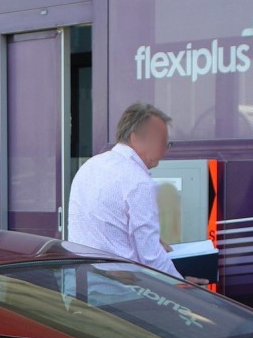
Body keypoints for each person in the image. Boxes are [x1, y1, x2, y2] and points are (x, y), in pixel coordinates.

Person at [67, 102, 183, 280]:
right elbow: (151, 257)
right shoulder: (138, 181)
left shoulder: (90, 166)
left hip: (81, 284)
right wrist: (183, 289)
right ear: (136, 138)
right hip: (121, 293)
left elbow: (102, 228)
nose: (164, 151)